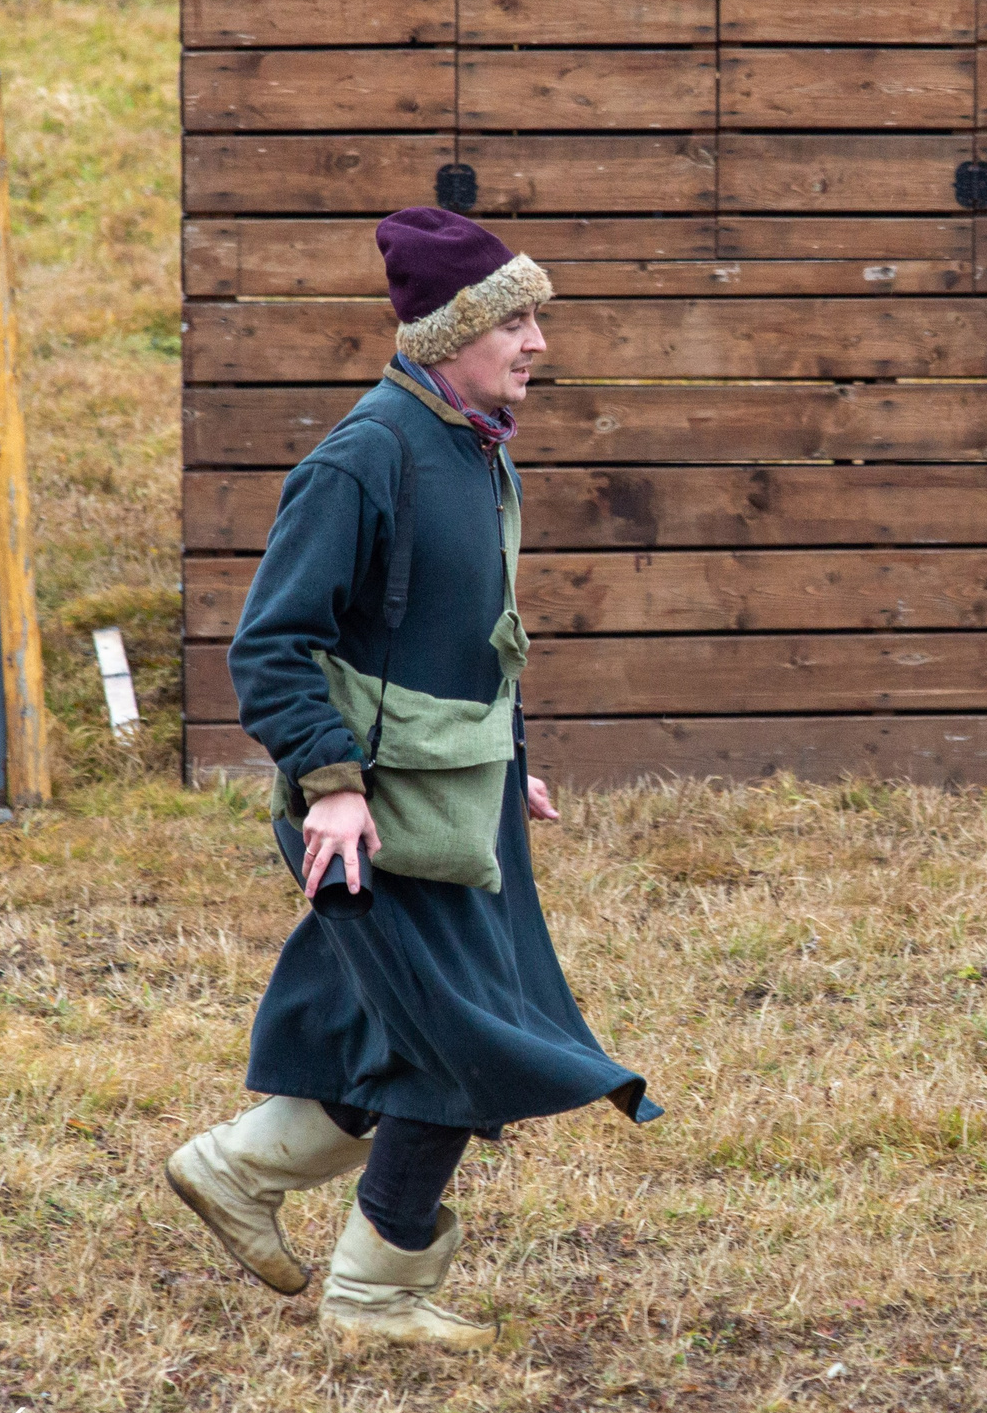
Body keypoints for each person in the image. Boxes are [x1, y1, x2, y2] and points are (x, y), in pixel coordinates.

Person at [164, 207, 659, 1352]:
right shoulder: (363, 457)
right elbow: (273, 645)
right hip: (368, 821)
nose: (538, 341)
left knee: (393, 1033)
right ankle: (377, 1290)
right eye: (516, 320)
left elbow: (476, 637)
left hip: (451, 806)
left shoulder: (471, 446)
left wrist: (508, 769)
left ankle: (233, 1170)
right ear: (451, 333)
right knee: (464, 1041)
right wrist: (331, 785)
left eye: (536, 317)